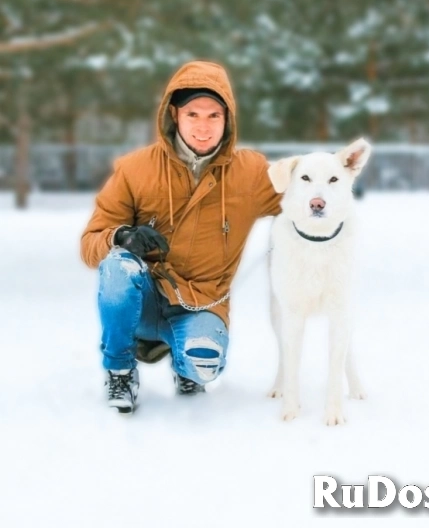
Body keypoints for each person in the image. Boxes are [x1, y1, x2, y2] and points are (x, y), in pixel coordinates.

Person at [80, 60, 281, 413]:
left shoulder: (251, 173)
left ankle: (186, 364)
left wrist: (334, 182)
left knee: (203, 368)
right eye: (193, 115)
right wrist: (122, 237)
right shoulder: (136, 169)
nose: (203, 127)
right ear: (174, 114)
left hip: (201, 302)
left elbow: (302, 199)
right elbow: (91, 243)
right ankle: (120, 370)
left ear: (228, 118)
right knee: (117, 268)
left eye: (214, 116)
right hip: (144, 298)